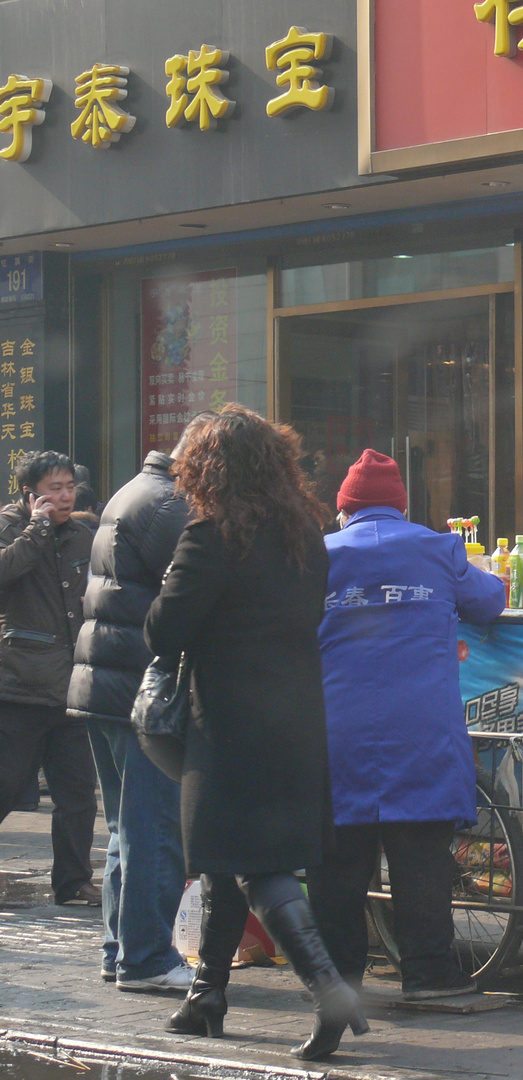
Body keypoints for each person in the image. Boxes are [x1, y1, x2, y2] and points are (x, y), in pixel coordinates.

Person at [145, 406, 366, 1061]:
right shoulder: (306, 534)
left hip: (230, 725)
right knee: (225, 856)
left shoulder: (211, 538)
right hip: (297, 716)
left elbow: (165, 633)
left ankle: (328, 990)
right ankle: (206, 996)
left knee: (254, 863)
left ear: (209, 469)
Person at [307, 449, 507, 1001]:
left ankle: (337, 981)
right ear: (400, 507)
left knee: (337, 864)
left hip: (334, 728)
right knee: (420, 857)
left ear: (344, 511)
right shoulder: (438, 548)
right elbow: (490, 601)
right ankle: (429, 976)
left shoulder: (315, 555)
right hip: (420, 729)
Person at [68, 414, 214, 992]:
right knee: (153, 827)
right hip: (137, 691)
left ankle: (121, 948)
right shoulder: (171, 507)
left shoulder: (137, 491)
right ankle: (148, 958)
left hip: (104, 685)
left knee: (127, 829)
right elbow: (190, 593)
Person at [0, 451, 99, 907]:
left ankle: (74, 882)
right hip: (20, 683)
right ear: (30, 495)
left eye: (69, 487)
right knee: (7, 782)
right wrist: (37, 530)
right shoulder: (9, 528)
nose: (64, 496)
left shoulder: (84, 534)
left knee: (77, 792)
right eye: (54, 489)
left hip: (74, 683)